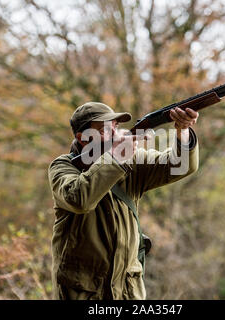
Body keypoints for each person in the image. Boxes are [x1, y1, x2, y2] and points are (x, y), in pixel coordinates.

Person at [48, 101, 199, 300]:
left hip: (127, 291)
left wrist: (183, 130)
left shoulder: (132, 160)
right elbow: (79, 199)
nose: (114, 133)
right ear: (82, 139)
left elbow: (180, 165)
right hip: (82, 292)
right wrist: (117, 158)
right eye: (104, 130)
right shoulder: (63, 166)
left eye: (115, 127)